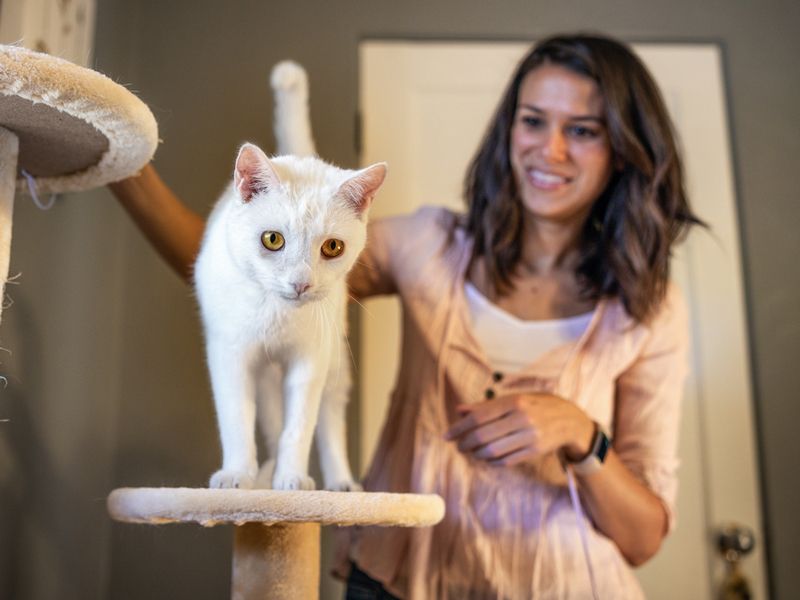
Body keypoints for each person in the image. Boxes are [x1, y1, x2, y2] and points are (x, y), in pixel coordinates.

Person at [110, 33, 702, 600]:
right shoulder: (430, 244)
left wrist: (580, 434)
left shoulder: (648, 307)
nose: (549, 149)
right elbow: (226, 267)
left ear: (624, 148)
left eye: (582, 129)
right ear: (509, 129)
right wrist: (118, 161)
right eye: (532, 120)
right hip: (396, 581)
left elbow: (643, 536)